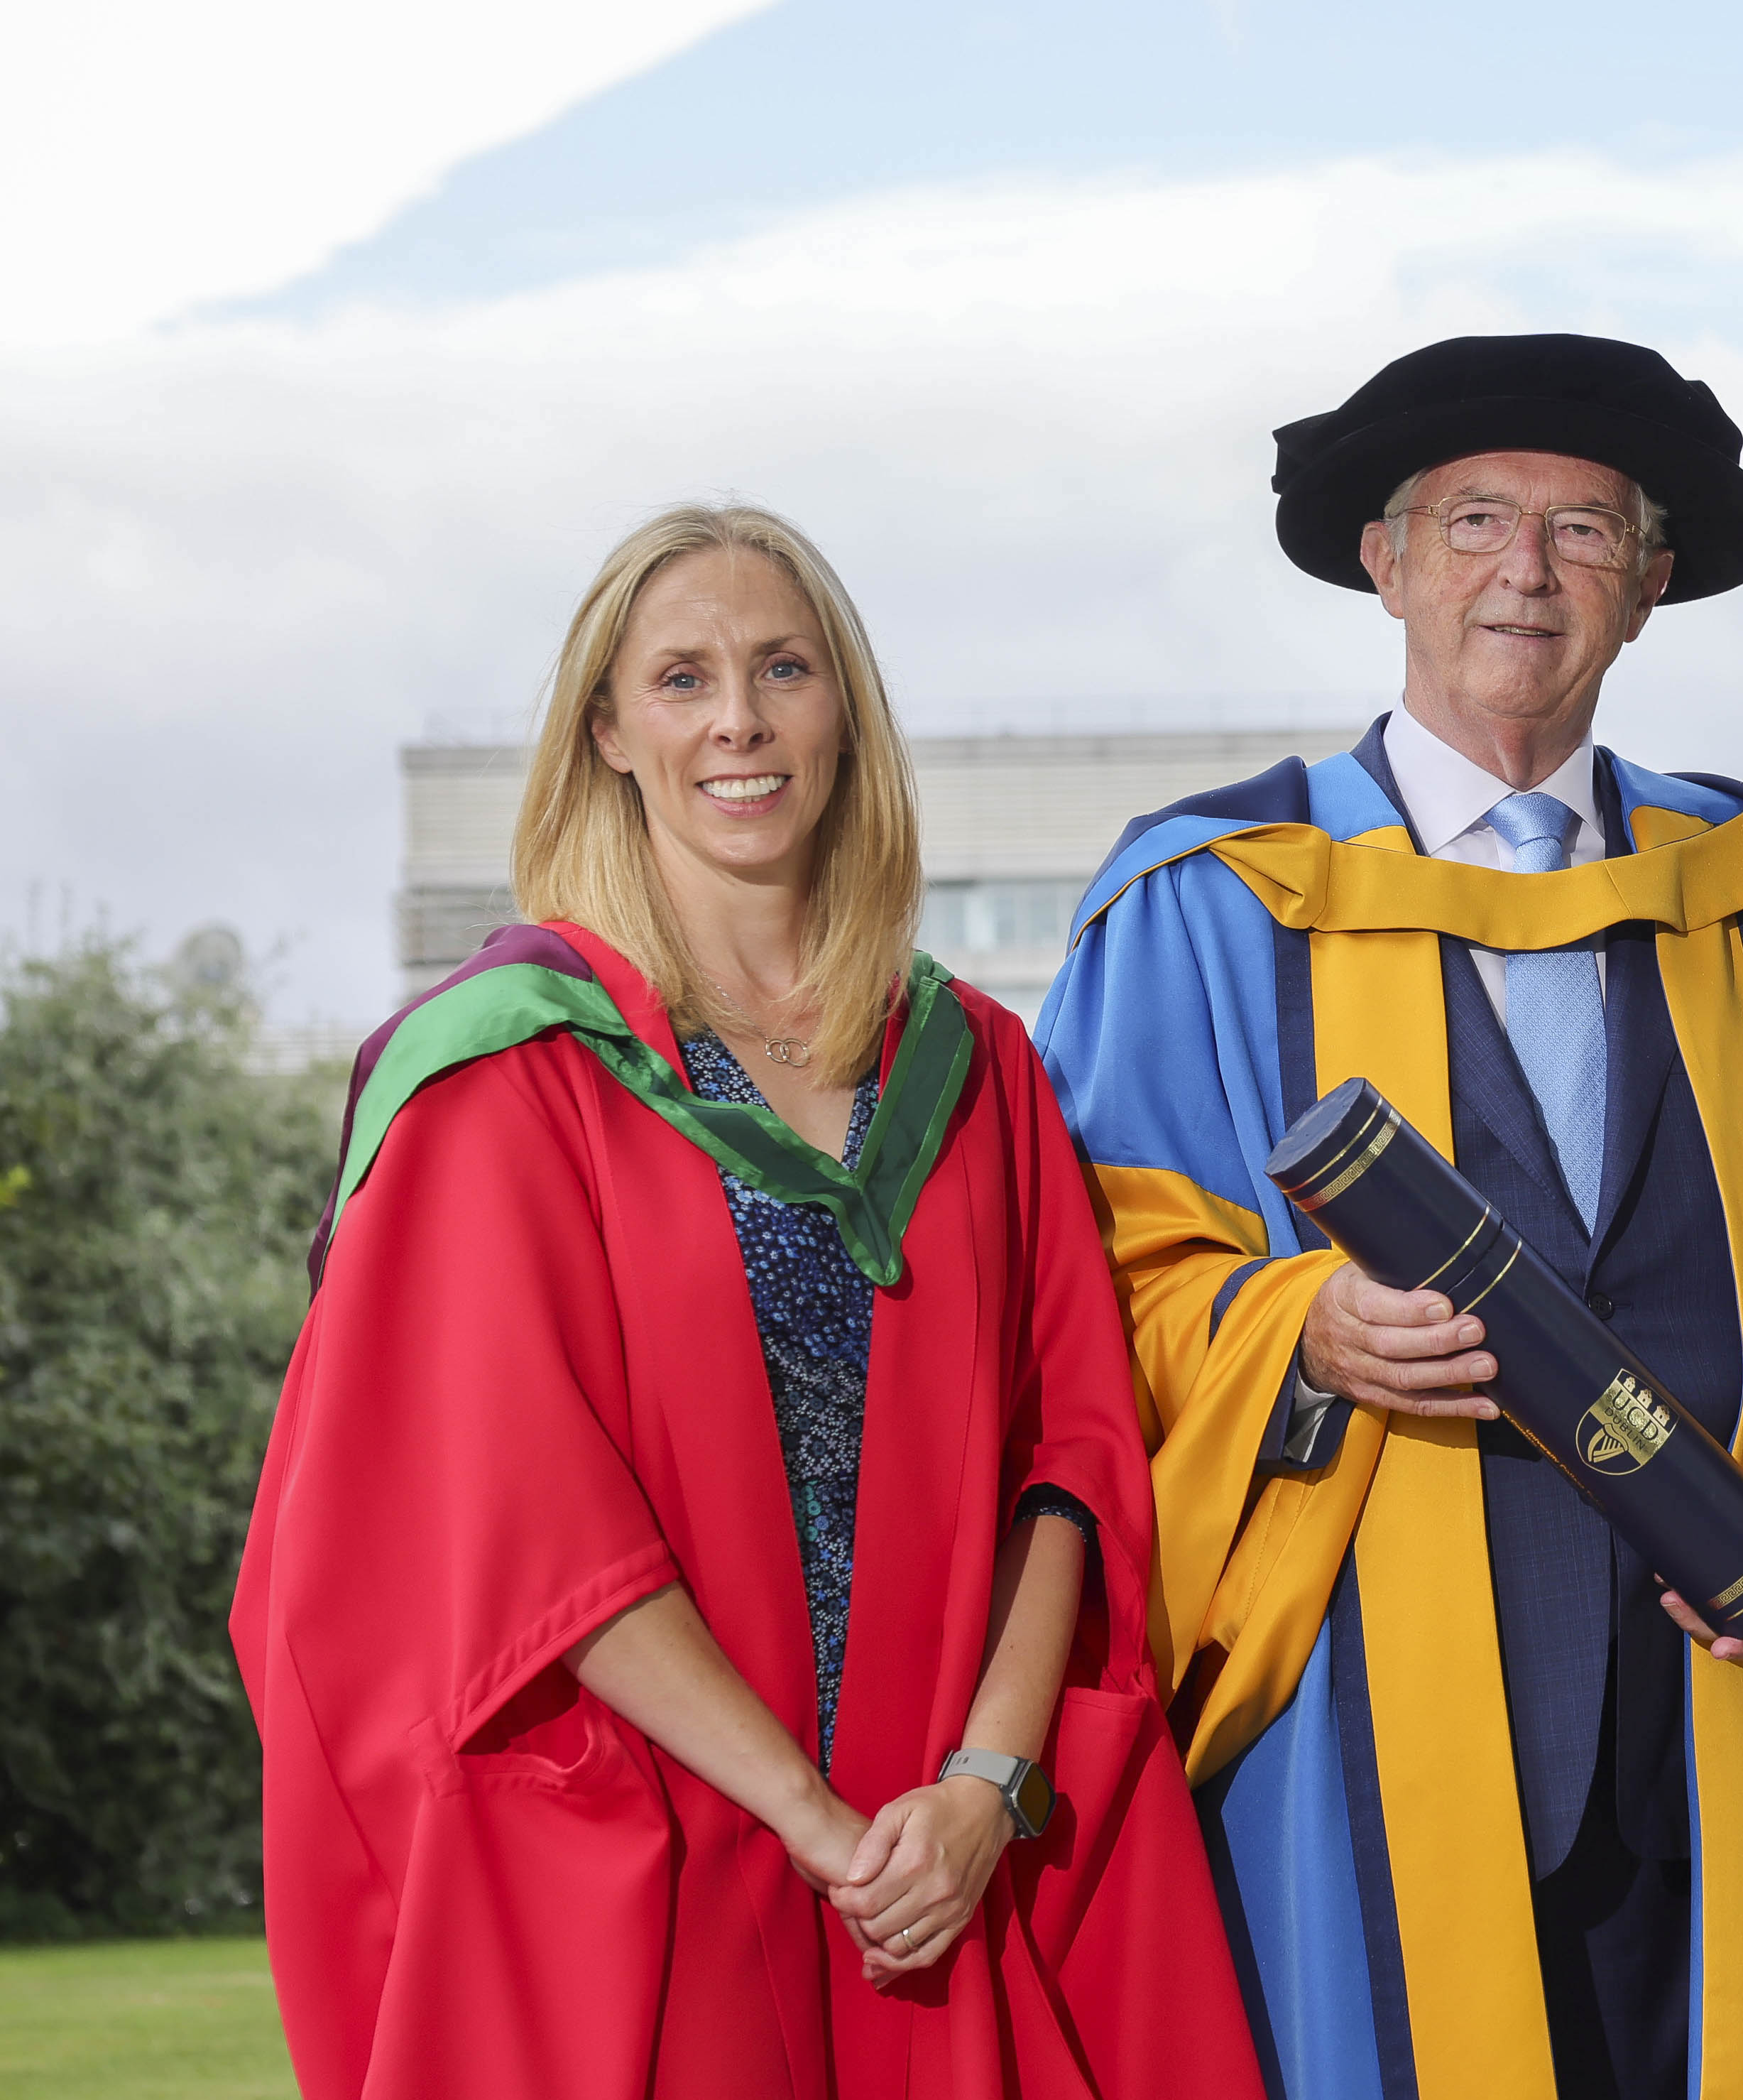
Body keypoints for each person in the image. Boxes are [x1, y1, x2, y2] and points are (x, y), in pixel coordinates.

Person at [1034, 333, 1743, 2100]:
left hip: (1711, 1697)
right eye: (1475, 519)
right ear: (1383, 560)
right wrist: (1301, 1332)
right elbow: (1086, 1295)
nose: (1527, 569)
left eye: (1583, 529)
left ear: (1650, 585)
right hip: (1349, 1706)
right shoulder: (1209, 902)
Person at [231, 505, 1260, 2100]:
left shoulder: (973, 1066)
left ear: (843, 712)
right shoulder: (511, 1074)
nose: (740, 722)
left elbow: (1071, 1455)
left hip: (945, 1834)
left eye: (785, 669)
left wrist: (985, 1783)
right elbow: (524, 1525)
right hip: (651, 1834)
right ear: (611, 732)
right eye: (684, 679)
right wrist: (810, 1817)